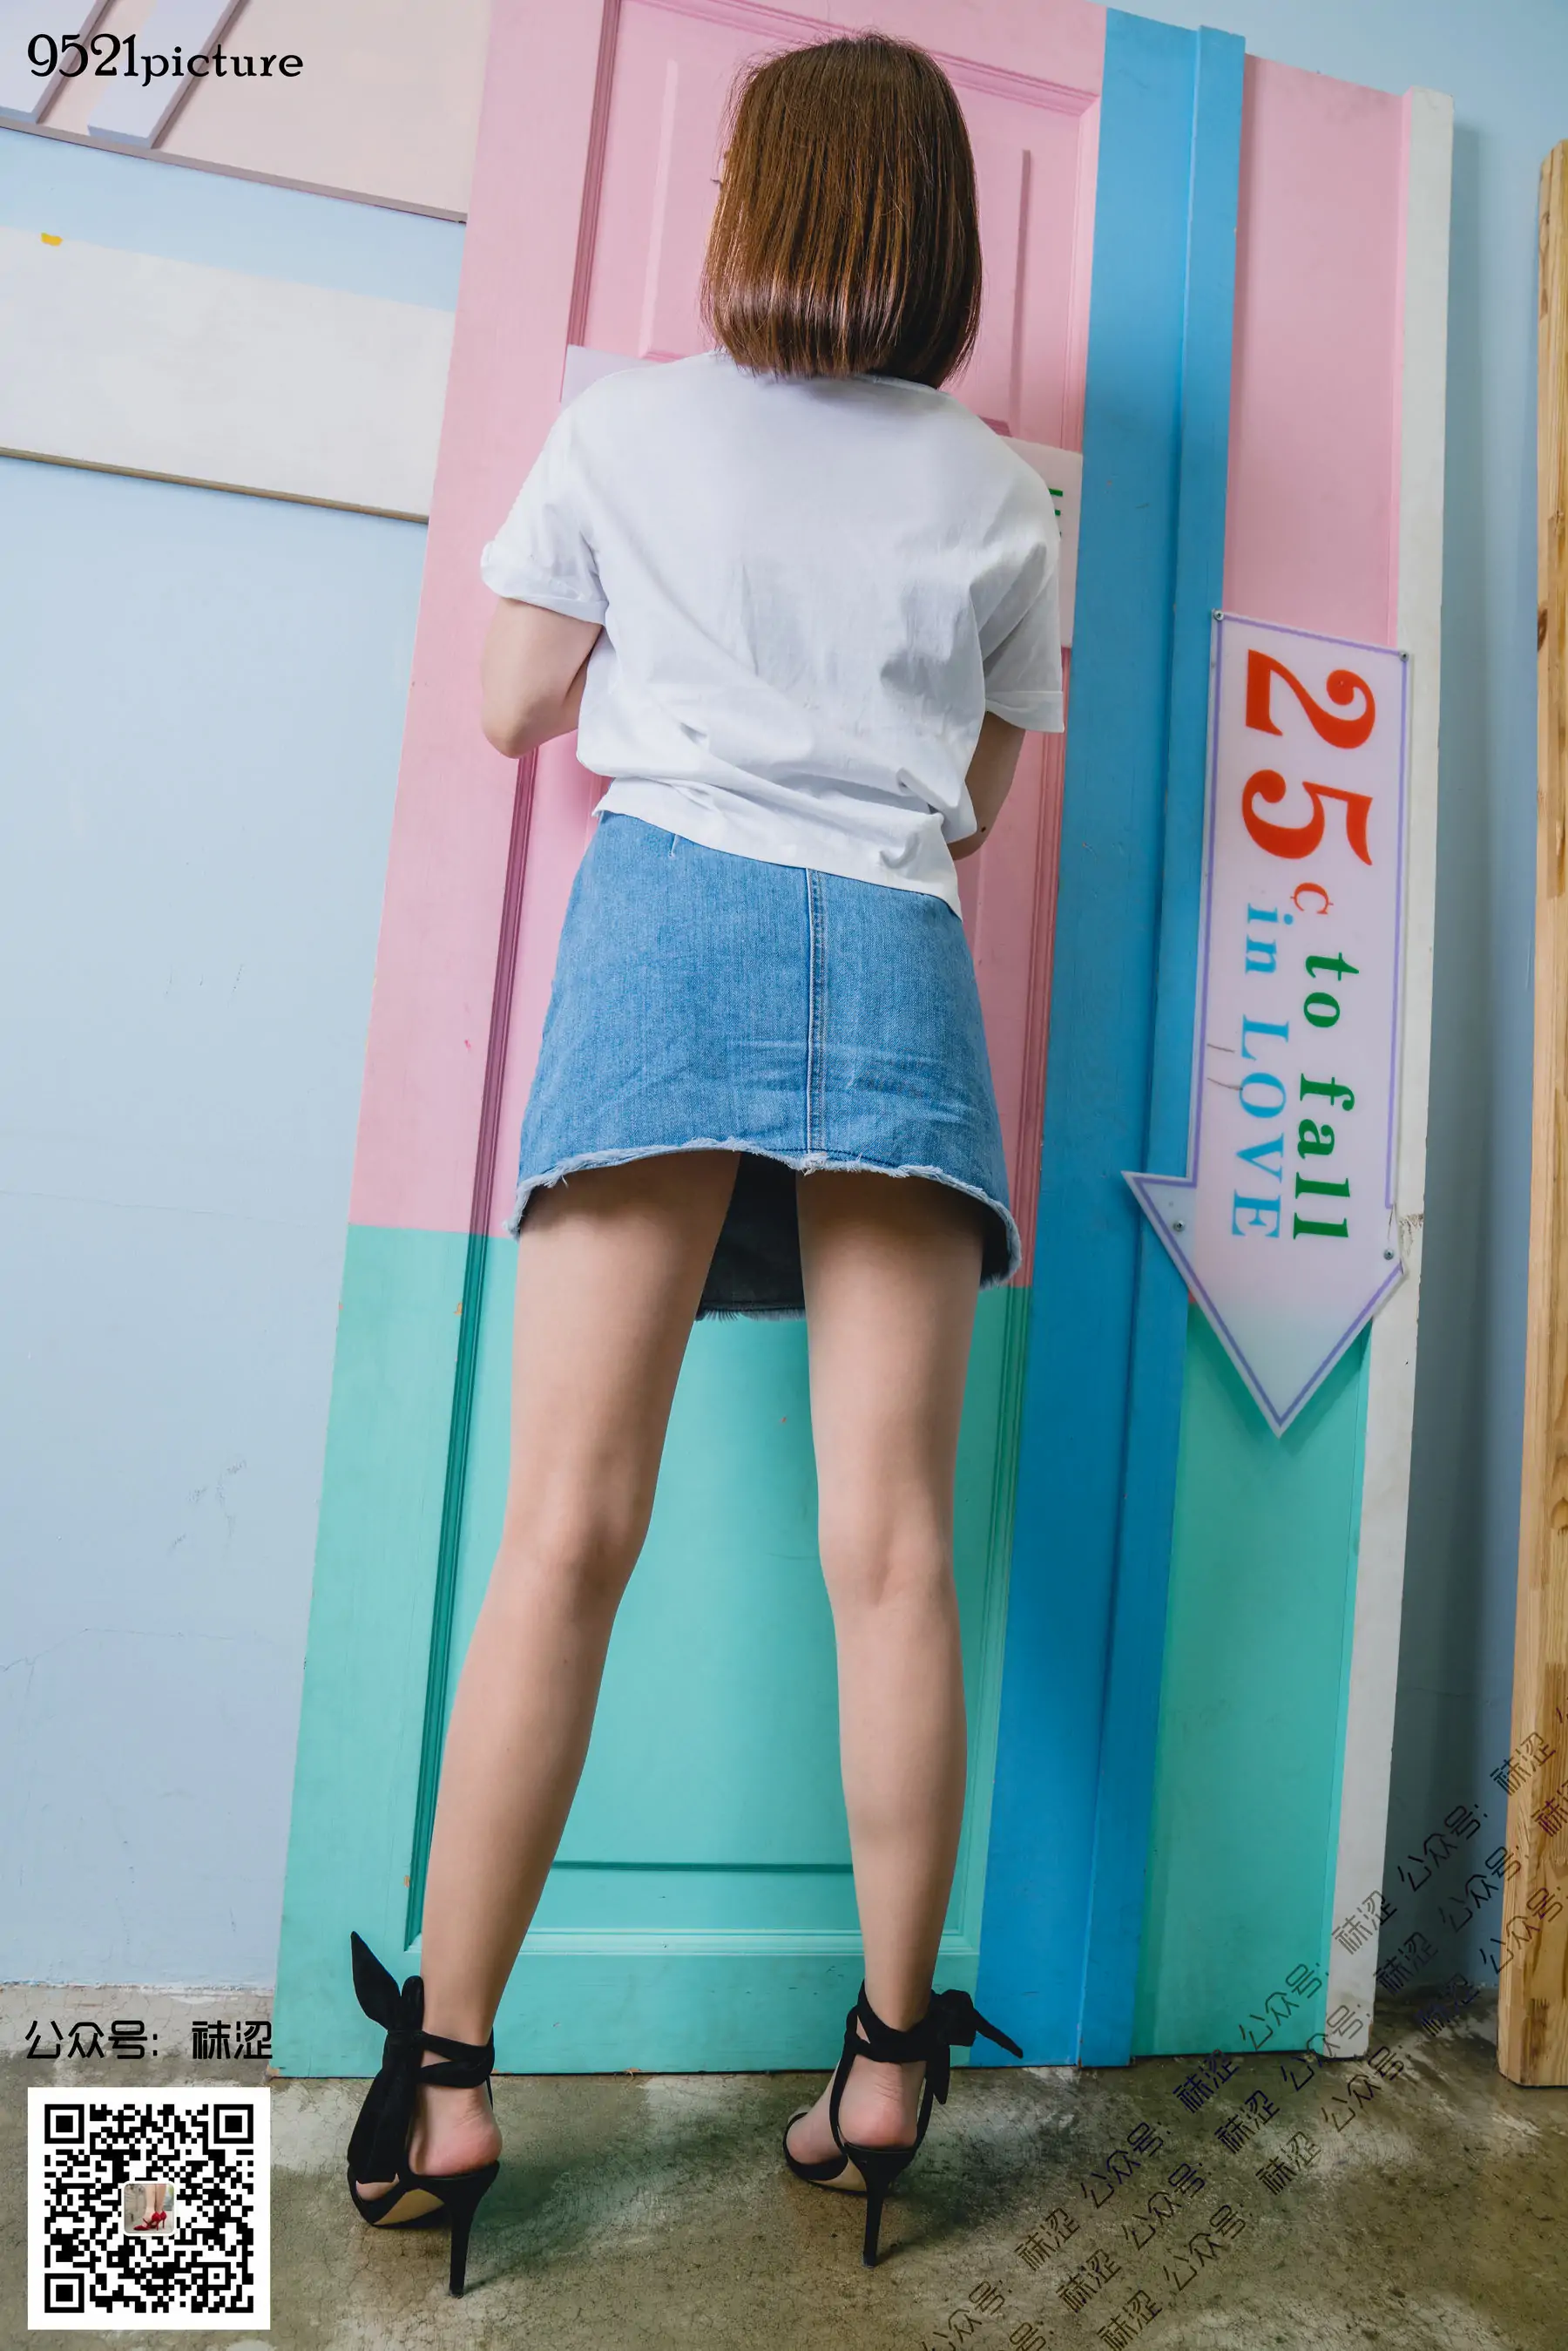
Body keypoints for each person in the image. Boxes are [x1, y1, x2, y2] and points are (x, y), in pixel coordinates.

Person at [343, 28, 1062, 2293]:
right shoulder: (999, 496)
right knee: (898, 1554)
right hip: (902, 959)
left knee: (568, 1526)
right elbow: (976, 803)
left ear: (755, 204)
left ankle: (448, 2077)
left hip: (668, 933)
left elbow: (510, 702)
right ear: (939, 233)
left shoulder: (627, 428)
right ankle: (885, 2067)